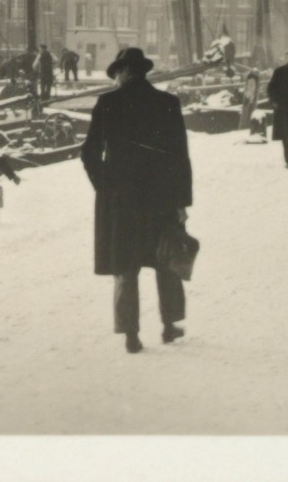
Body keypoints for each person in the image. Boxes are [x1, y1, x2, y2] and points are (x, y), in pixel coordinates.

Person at [81, 47, 192, 353]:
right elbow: (180, 157)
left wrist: (105, 186)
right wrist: (181, 202)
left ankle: (130, 334)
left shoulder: (108, 103)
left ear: (124, 72)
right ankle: (169, 326)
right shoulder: (167, 103)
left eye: (116, 74)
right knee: (166, 260)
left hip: (122, 201)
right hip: (161, 198)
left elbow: (89, 153)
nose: (115, 80)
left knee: (125, 265)